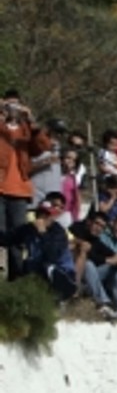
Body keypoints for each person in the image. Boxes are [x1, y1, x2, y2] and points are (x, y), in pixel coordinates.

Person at [0, 92, 55, 269]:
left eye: (16, 105)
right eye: (10, 105)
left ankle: (16, 276)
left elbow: (43, 146)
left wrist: (32, 122)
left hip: (19, 191)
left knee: (18, 236)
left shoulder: (27, 131)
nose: (13, 109)